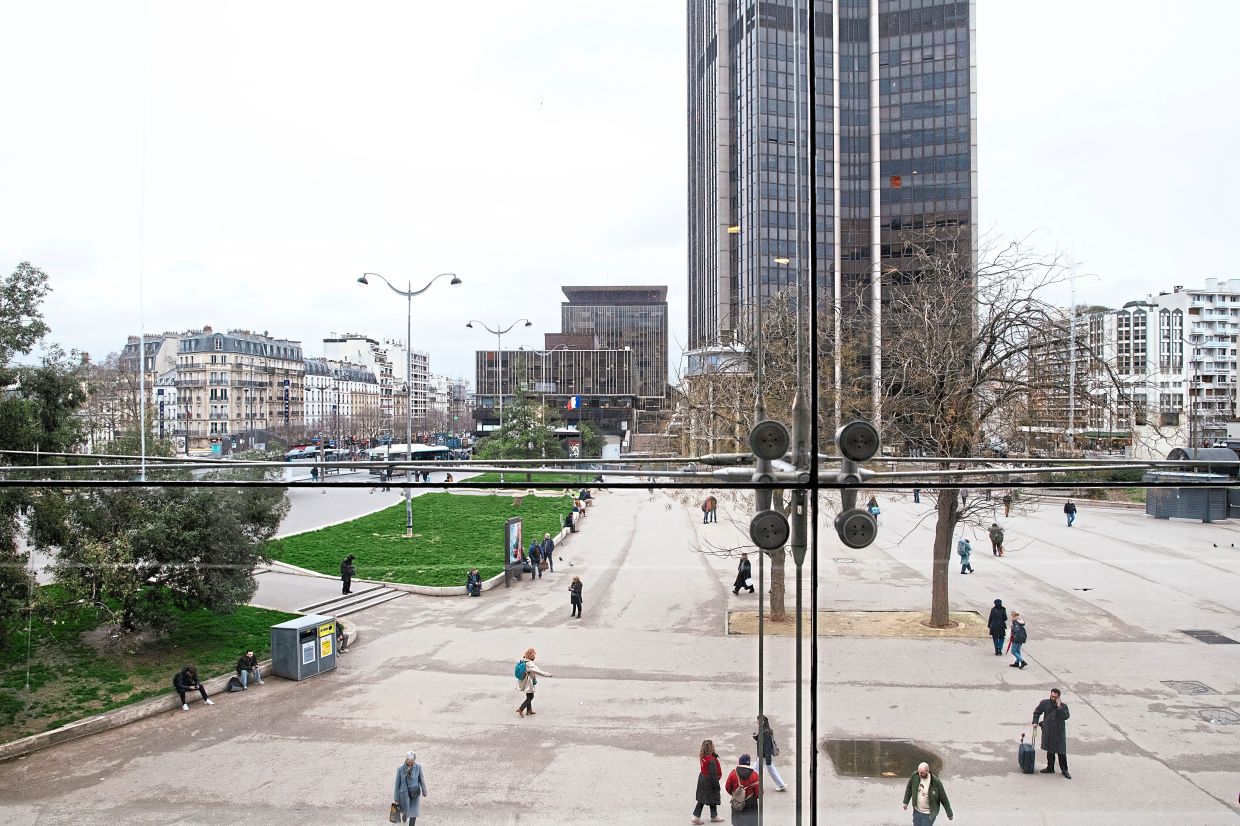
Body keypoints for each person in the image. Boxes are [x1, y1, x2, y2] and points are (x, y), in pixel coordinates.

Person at [1033, 688, 1072, 778]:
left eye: (1055, 697)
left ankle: (1064, 770)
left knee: (1061, 752)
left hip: (1059, 732)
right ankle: (1050, 767)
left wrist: (1059, 707)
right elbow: (1037, 712)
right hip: (1048, 730)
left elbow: (1065, 716)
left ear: (1059, 697)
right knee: (1050, 750)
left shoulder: (1063, 706)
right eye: (1052, 696)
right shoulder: (1044, 703)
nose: (1053, 698)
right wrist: (1035, 722)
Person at [692, 739, 724, 824]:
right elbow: (714, 775)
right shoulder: (711, 761)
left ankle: (713, 815)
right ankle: (697, 816)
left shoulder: (703, 757)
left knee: (703, 798)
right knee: (711, 797)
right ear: (711, 748)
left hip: (702, 780)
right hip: (710, 782)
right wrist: (717, 786)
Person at [723, 754, 761, 825]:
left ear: (740, 762)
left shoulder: (733, 773)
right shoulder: (755, 775)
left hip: (737, 803)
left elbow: (727, 788)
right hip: (751, 804)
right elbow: (759, 793)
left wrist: (736, 794)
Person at [753, 715, 787, 792]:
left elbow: (767, 746)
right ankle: (781, 785)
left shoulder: (765, 732)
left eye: (758, 720)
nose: (757, 722)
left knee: (754, 771)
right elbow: (762, 741)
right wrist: (756, 737)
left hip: (763, 755)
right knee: (771, 770)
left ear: (762, 722)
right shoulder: (764, 730)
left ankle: (753, 785)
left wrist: (767, 758)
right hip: (764, 755)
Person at [515, 647, 552, 717]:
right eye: (534, 655)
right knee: (531, 696)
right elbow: (538, 671)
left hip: (525, 681)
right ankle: (521, 708)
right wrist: (547, 674)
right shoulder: (530, 664)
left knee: (528, 695)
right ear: (532, 656)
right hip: (528, 682)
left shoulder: (524, 661)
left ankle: (529, 710)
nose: (535, 656)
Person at [393, 751, 427, 824]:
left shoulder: (418, 767)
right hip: (404, 795)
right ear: (406, 760)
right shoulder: (400, 769)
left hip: (415, 793)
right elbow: (397, 784)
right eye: (409, 761)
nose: (410, 763)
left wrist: (424, 791)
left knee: (413, 812)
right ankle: (404, 814)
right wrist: (396, 797)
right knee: (405, 810)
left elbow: (421, 779)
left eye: (412, 761)